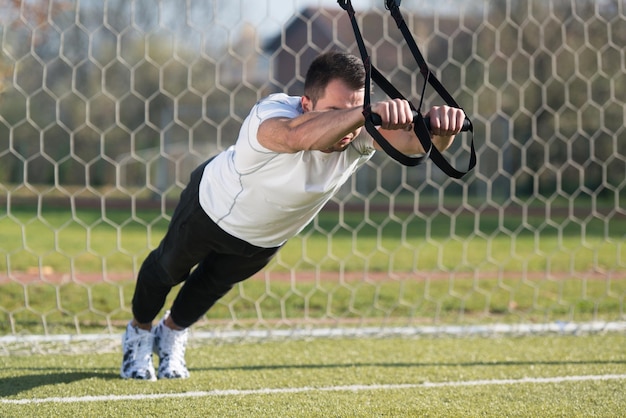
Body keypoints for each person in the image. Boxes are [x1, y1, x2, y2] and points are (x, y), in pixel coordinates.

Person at [121, 51, 466, 380]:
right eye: (334, 110)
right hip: (211, 209)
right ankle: (138, 334)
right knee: (167, 270)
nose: (348, 125)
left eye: (355, 110)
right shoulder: (270, 114)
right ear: (306, 104)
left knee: (210, 287)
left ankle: (171, 335)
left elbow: (418, 145)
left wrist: (442, 131)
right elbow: (295, 136)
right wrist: (363, 113)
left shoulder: (359, 133)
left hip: (266, 237)